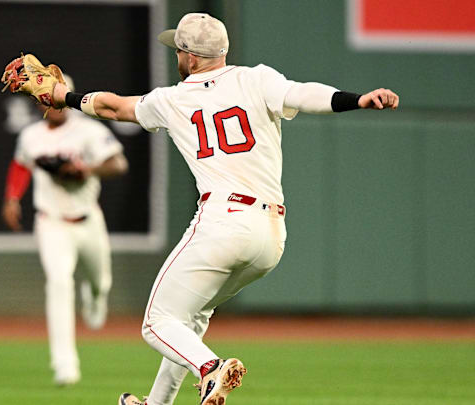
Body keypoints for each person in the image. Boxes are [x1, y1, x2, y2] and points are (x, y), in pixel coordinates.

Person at [47, 13, 399, 405]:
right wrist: (358, 100)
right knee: (191, 317)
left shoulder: (173, 99)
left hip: (222, 222)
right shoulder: (256, 79)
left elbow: (114, 108)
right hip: (270, 237)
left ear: (191, 58)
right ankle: (158, 402)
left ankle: (211, 367)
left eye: (179, 50)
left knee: (156, 323)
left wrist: (65, 97)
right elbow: (305, 94)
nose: (177, 56)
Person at [2, 75, 128, 386]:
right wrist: (12, 198)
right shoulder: (31, 136)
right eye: (44, 96)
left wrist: (89, 169)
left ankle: (95, 296)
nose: (51, 102)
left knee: (101, 282)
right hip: (51, 222)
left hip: (88, 220)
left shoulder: (88, 130)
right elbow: (21, 164)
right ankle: (65, 365)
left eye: (55, 95)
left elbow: (119, 164)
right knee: (58, 283)